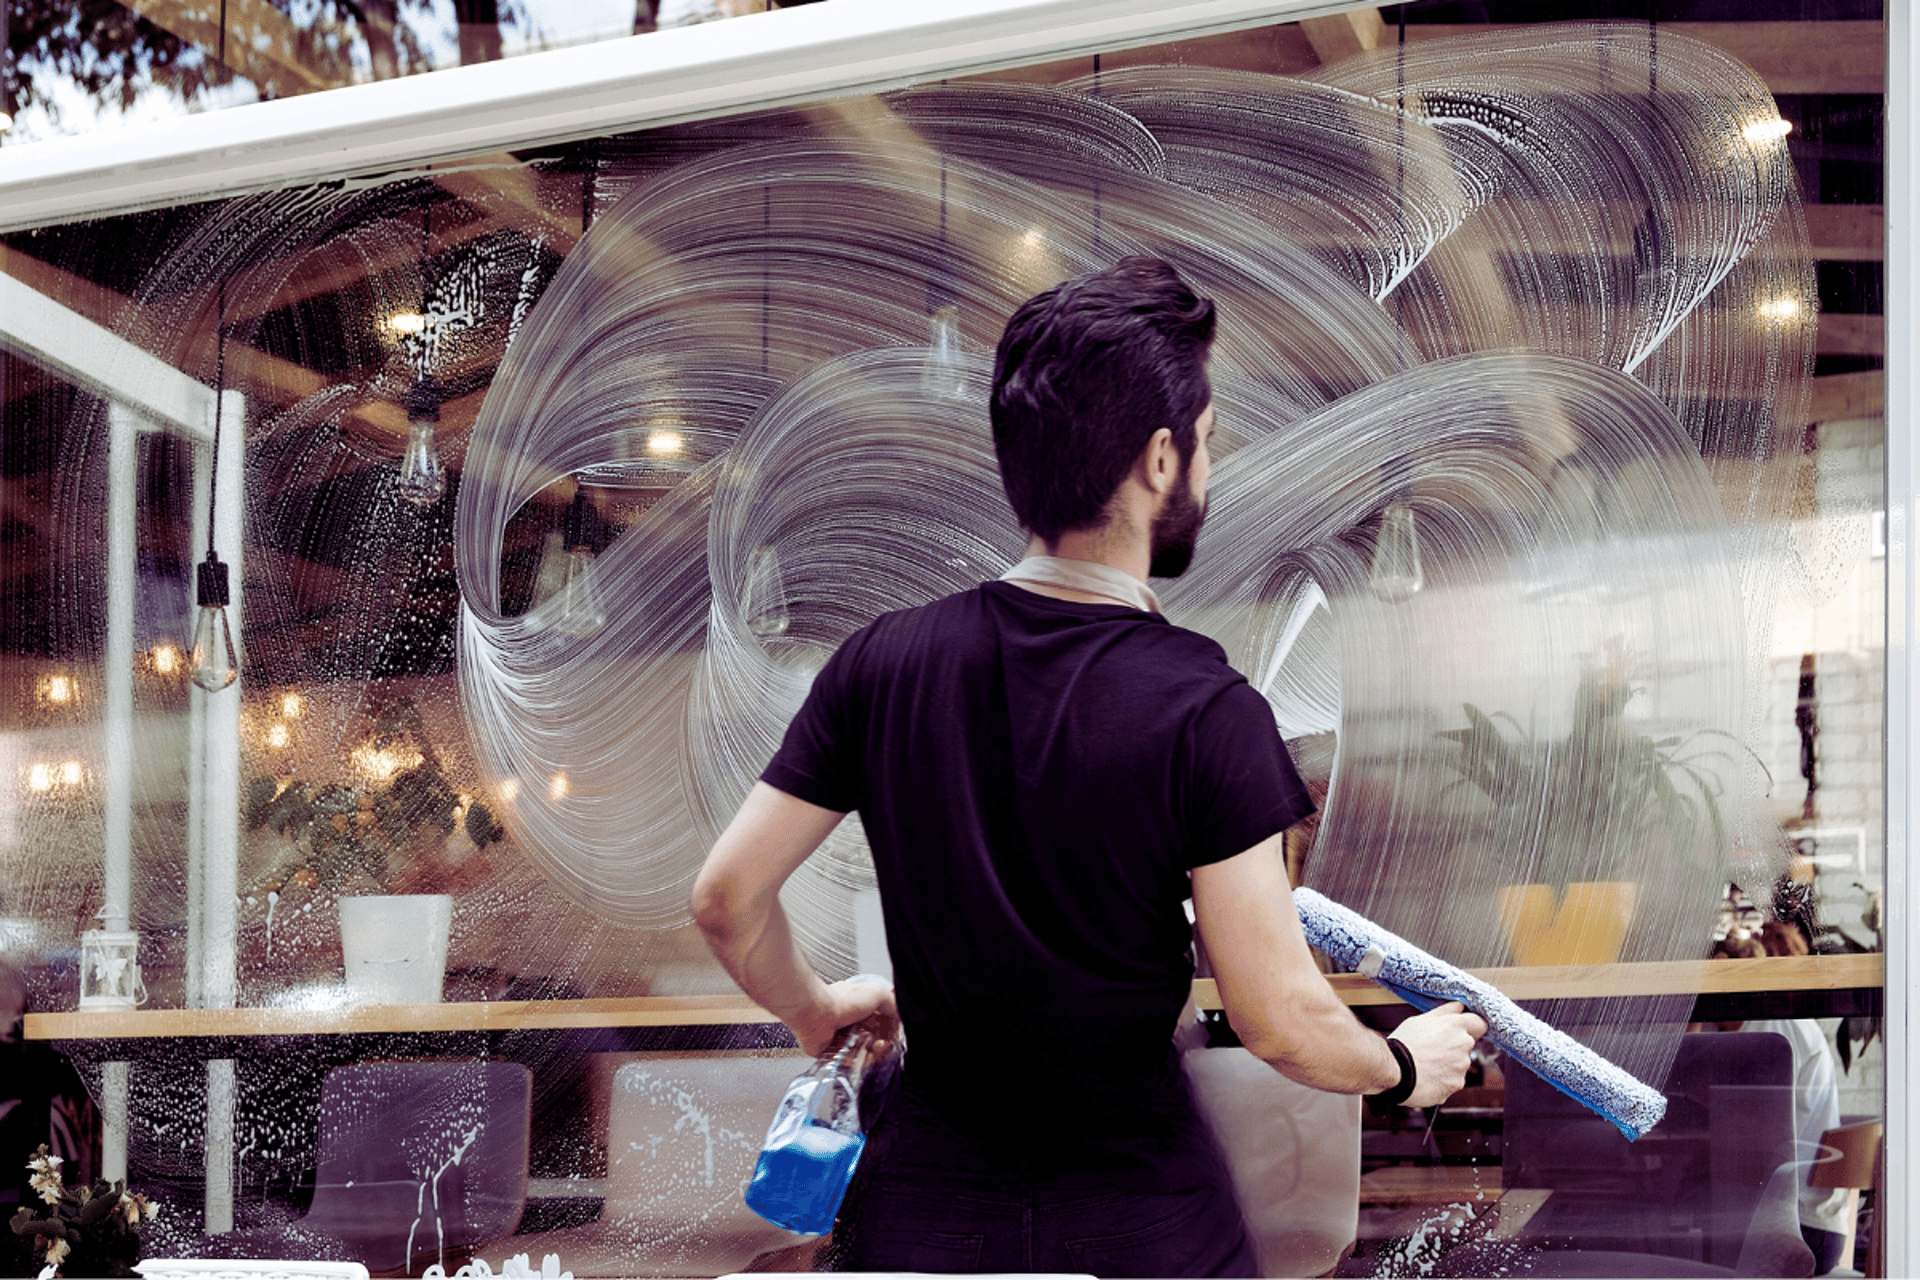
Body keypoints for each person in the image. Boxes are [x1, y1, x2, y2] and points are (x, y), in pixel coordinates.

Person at [691, 257, 1486, 1276]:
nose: (1208, 465)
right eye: (1204, 443)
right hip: (1136, 1222)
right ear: (1161, 460)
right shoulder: (1207, 707)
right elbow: (1277, 1012)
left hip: (919, 1214)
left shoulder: (880, 663)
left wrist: (813, 1007)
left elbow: (725, 896)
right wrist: (1402, 1065)